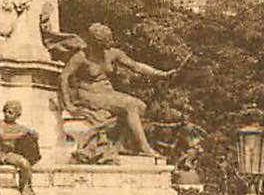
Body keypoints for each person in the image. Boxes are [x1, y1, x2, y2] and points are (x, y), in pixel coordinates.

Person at [59, 23, 182, 158]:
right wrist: (68, 104)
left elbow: (136, 66)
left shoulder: (112, 53)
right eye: (106, 42)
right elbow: (64, 76)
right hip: (89, 94)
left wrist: (162, 74)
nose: (110, 44)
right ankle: (144, 148)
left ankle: (123, 145)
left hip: (107, 92)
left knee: (141, 106)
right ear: (96, 42)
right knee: (130, 106)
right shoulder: (82, 56)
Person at [0, 100, 41, 195]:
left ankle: (24, 186)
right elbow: (3, 136)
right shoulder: (0, 123)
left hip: (7, 153)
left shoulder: (19, 127)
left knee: (24, 163)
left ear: (17, 115)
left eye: (10, 112)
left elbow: (33, 134)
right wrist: (20, 134)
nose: (7, 114)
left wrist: (33, 134)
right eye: (6, 111)